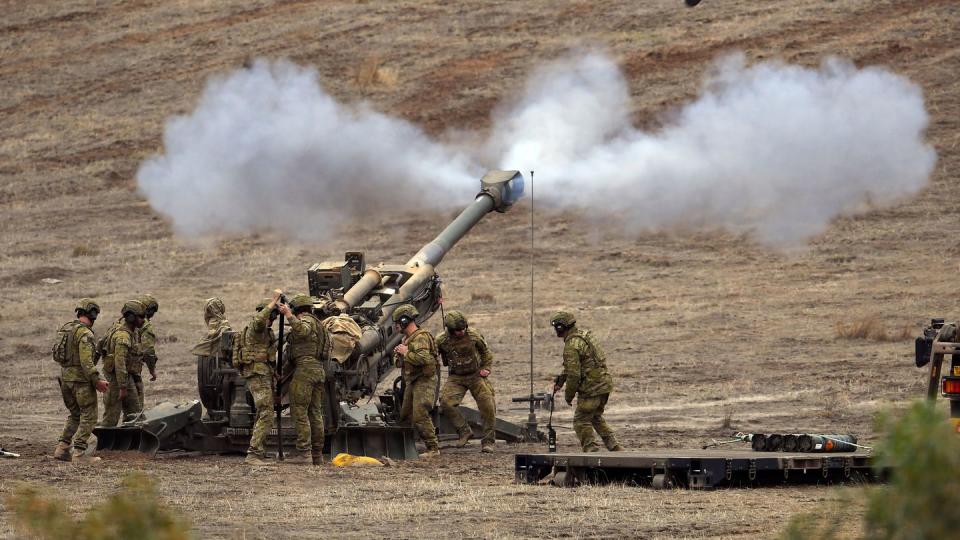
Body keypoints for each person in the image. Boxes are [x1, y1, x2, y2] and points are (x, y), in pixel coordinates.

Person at [550, 311, 623, 452]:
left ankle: (592, 452)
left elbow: (574, 374)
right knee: (595, 417)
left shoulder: (571, 345)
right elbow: (578, 365)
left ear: (561, 327)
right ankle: (615, 447)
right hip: (604, 385)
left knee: (581, 421)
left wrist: (568, 395)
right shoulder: (586, 336)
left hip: (591, 389)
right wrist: (560, 381)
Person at [53, 299, 109, 462]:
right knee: (89, 416)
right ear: (92, 313)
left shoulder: (65, 329)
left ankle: (62, 448)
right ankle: (79, 453)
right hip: (81, 382)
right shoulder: (85, 333)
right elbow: (86, 362)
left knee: (75, 414)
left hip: (65, 379)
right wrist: (96, 380)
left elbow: (58, 356)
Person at [278, 294, 330, 465]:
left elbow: (303, 330)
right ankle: (317, 454)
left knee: (299, 411)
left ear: (298, 310)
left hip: (305, 371)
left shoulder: (306, 320)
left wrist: (288, 315)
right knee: (315, 413)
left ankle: (304, 453)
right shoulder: (319, 324)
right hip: (318, 371)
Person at [436, 310, 496, 453]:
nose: (462, 332)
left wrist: (486, 368)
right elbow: (432, 355)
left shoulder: (474, 335)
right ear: (450, 330)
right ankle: (464, 431)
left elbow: (486, 353)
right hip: (456, 377)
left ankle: (488, 442)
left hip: (476, 375)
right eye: (458, 330)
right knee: (446, 402)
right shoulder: (441, 340)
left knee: (488, 405)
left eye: (464, 328)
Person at [236, 291, 282, 466]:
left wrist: (274, 372)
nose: (273, 321)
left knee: (263, 411)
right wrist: (273, 302)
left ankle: (259, 451)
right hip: (256, 373)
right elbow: (259, 320)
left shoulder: (265, 332)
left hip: (263, 373)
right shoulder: (256, 327)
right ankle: (254, 454)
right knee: (266, 412)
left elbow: (268, 355)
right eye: (272, 316)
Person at [392, 304, 440, 457]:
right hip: (412, 380)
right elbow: (400, 363)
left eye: (398, 322)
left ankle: (433, 449)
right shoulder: (408, 339)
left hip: (424, 381)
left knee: (420, 414)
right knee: (405, 415)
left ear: (405, 320)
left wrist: (406, 353)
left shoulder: (421, 337)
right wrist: (400, 355)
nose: (396, 326)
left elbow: (424, 359)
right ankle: (407, 447)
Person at [98, 301, 145, 427]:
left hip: (125, 377)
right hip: (115, 379)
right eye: (140, 317)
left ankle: (132, 442)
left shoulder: (132, 331)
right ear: (131, 317)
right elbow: (120, 364)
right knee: (111, 416)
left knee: (135, 413)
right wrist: (123, 387)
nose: (143, 320)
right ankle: (103, 444)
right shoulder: (122, 337)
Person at [123, 294, 159, 416]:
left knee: (124, 411)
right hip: (132, 373)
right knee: (136, 411)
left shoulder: (123, 322)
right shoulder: (145, 326)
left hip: (118, 371)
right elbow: (148, 351)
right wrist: (152, 370)